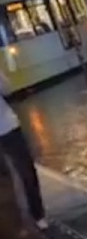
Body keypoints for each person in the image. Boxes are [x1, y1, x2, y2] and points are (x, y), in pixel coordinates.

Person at [0, 71, 45, 229]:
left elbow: (7, 88)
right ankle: (14, 220)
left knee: (26, 171)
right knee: (5, 179)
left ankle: (37, 213)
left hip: (8, 127)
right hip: (8, 127)